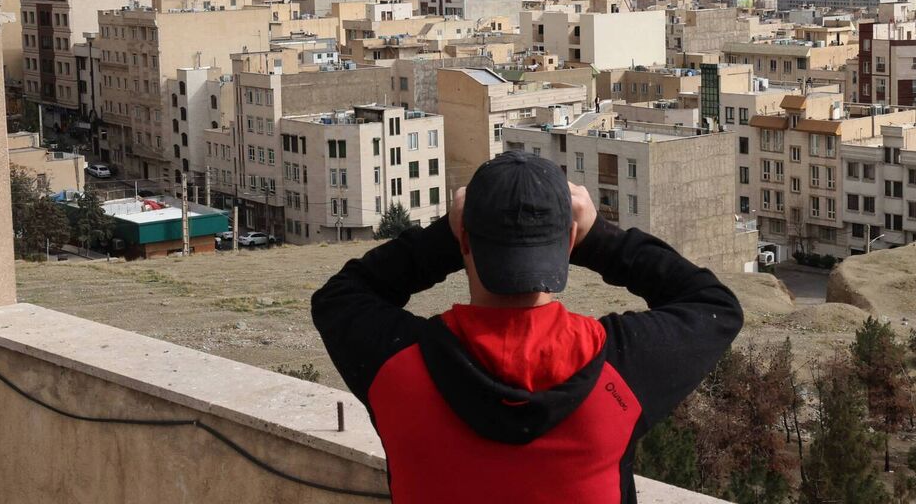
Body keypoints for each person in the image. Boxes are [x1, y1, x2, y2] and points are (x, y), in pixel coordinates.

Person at [311, 151, 742, 503]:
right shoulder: (619, 371)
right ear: (569, 241)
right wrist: (600, 238)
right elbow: (713, 305)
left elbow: (341, 296)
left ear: (465, 240)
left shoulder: (398, 369)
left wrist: (445, 235)